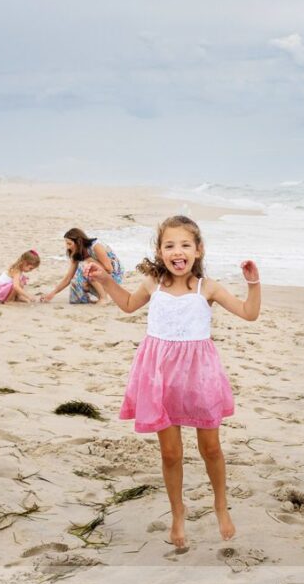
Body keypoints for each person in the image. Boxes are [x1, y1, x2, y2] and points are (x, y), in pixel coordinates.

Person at [85, 215, 261, 548]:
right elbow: (126, 304)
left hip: (199, 378)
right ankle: (178, 512)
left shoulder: (206, 288)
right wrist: (107, 280)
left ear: (198, 250)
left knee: (210, 448)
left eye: (184, 245)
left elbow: (249, 313)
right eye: (169, 245)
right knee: (170, 454)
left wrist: (253, 284)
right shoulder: (153, 284)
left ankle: (220, 504)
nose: (177, 252)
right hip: (160, 378)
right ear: (160, 251)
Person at [41, 228, 124, 304]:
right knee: (76, 294)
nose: (67, 247)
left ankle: (104, 297)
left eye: (69, 244)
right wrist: (52, 294)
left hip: (114, 275)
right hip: (99, 274)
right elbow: (68, 277)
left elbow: (109, 269)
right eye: (66, 244)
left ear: (79, 242)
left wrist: (90, 260)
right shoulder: (76, 253)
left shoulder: (95, 246)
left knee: (87, 265)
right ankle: (97, 295)